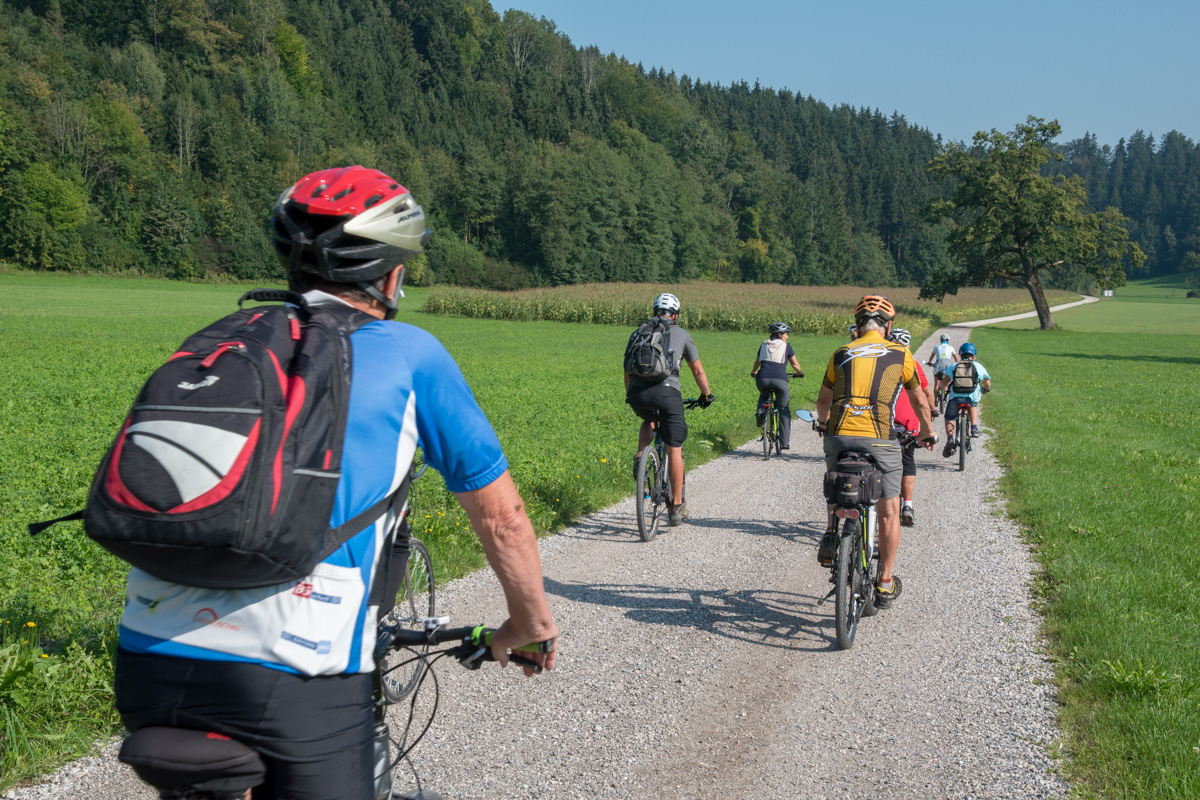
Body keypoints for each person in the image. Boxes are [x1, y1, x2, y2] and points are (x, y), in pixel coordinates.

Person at [112, 166, 558, 800]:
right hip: (297, 675)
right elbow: (503, 518)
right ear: (392, 273)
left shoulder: (223, 342)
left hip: (147, 656)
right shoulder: (410, 354)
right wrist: (529, 626)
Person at [814, 296, 934, 608]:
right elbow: (920, 400)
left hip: (839, 437)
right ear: (888, 326)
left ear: (857, 326)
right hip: (880, 439)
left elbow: (823, 399)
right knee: (889, 510)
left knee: (836, 480)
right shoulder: (900, 353)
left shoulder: (841, 353)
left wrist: (823, 425)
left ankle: (830, 532)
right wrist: (927, 430)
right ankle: (884, 583)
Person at [625, 293, 713, 527]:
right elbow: (697, 371)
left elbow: (627, 369)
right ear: (675, 315)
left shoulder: (638, 333)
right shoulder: (682, 334)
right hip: (667, 392)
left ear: (655, 311)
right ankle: (676, 506)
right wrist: (706, 394)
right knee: (674, 448)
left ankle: (640, 456)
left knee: (649, 420)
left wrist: (630, 393)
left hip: (638, 394)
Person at [887, 328, 935, 526]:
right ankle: (907, 504)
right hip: (908, 423)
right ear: (908, 347)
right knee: (907, 459)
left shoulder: (879, 364)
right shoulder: (913, 365)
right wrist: (930, 420)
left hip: (881, 422)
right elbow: (925, 395)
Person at [750, 322, 804, 450]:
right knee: (784, 409)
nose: (788, 337)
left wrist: (754, 372)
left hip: (762, 379)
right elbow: (795, 364)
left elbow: (757, 361)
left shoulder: (763, 344)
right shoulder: (786, 346)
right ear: (780, 334)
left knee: (764, 394)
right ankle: (784, 442)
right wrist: (799, 373)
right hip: (780, 380)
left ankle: (760, 413)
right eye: (786, 334)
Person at [941, 341, 992, 458]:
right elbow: (987, 383)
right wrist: (985, 389)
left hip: (955, 398)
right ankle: (974, 428)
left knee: (950, 417)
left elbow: (944, 383)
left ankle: (950, 438)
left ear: (960, 355)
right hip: (971, 397)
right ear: (974, 356)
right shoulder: (978, 366)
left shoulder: (954, 366)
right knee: (973, 405)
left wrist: (945, 389)